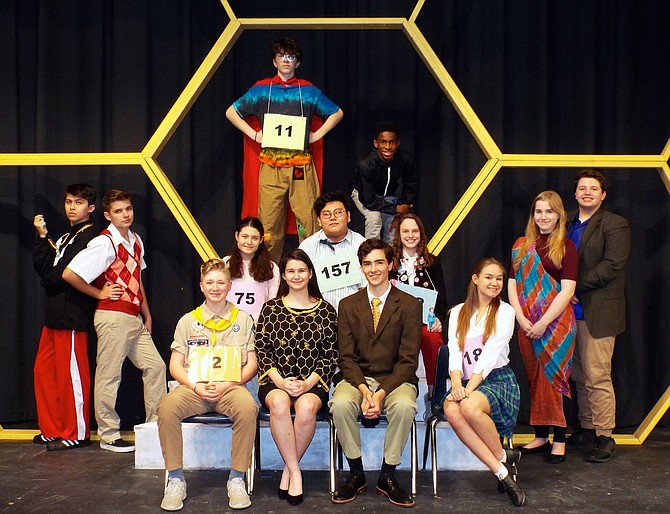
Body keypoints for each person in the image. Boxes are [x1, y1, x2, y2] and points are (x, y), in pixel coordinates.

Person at [63, 189, 166, 452]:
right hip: (112, 316)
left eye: (128, 209)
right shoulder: (104, 243)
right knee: (109, 375)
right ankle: (109, 434)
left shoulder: (136, 239)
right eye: (119, 211)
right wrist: (99, 293)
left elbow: (137, 280)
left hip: (133, 317)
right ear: (108, 215)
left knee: (156, 367)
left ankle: (154, 428)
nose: (126, 214)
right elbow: (70, 274)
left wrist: (147, 313)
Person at [226, 36, 344, 262]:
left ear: (297, 63)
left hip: (300, 166)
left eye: (291, 57)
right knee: (269, 224)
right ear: (274, 61)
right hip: (271, 165)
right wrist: (254, 134)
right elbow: (232, 111)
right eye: (282, 56)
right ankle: (267, 275)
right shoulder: (262, 89)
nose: (286, 61)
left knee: (309, 220)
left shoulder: (308, 91)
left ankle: (311, 271)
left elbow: (336, 113)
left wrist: (316, 135)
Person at [157, 259, 258, 511]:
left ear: (229, 286)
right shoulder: (188, 321)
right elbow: (175, 365)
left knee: (248, 408)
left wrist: (227, 384)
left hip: (230, 387)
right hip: (195, 388)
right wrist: (196, 387)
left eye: (221, 282)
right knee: (167, 407)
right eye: (210, 282)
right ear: (201, 286)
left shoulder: (243, 319)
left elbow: (252, 364)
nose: (215, 287)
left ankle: (236, 477)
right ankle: (176, 478)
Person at [329, 239, 422, 508]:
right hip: (357, 379)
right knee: (341, 403)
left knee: (405, 406)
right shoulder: (347, 305)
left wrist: (379, 394)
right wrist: (364, 390)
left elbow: (407, 362)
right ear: (361, 267)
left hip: (396, 379)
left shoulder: (409, 305)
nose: (373, 269)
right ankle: (356, 473)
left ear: (391, 265)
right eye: (367, 263)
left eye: (379, 262)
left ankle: (387, 475)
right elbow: (345, 357)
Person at [255, 249, 338, 506]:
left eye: (301, 270)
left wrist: (307, 383)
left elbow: (331, 355)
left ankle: (287, 472)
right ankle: (296, 472)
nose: (296, 275)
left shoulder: (326, 310)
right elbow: (262, 349)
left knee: (305, 408)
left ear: (310, 273)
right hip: (275, 381)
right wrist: (280, 381)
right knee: (279, 403)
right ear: (283, 275)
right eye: (290, 270)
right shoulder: (270, 309)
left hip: (313, 382)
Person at [442, 258, 525, 507]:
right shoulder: (457, 312)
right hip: (466, 381)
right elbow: (455, 351)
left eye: (499, 278)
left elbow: (490, 355)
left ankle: (503, 460)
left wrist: (466, 391)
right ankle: (502, 468)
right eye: (489, 277)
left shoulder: (506, 312)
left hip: (497, 380)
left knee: (467, 406)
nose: (495, 283)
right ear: (475, 279)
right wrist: (457, 386)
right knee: (450, 409)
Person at [565, 169, 631, 462]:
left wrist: (573, 286)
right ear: (576, 193)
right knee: (579, 374)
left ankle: (605, 435)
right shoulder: (564, 220)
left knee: (597, 375)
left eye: (594, 188)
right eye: (583, 188)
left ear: (603, 195)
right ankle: (588, 427)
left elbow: (611, 266)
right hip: (568, 311)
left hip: (598, 310)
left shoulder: (616, 224)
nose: (587, 192)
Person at [508, 191, 578, 463]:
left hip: (556, 325)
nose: (543, 217)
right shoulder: (522, 245)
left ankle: (559, 439)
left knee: (554, 379)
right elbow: (512, 284)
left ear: (559, 215)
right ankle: (540, 436)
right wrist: (521, 318)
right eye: (539, 212)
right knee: (534, 378)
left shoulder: (566, 247)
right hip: (526, 324)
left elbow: (568, 289)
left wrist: (542, 322)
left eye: (549, 212)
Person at [32, 183, 98, 451]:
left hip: (73, 316)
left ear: (91, 208)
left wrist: (53, 276)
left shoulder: (92, 238)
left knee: (73, 376)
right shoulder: (64, 238)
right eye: (69, 202)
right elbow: (46, 270)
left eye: (79, 202)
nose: (72, 207)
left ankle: (76, 432)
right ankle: (52, 428)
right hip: (54, 315)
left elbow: (60, 276)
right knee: (44, 372)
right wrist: (41, 237)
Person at [391, 213, 447, 410]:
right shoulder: (390, 262)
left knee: (433, 339)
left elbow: (441, 299)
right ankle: (394, 391)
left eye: (415, 231)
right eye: (406, 231)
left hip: (425, 321)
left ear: (421, 234)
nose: (411, 235)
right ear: (399, 234)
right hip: (395, 324)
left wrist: (438, 319)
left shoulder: (432, 262)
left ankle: (434, 394)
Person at [351, 121, 418, 242]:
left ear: (398, 143)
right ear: (376, 143)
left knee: (394, 226)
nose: (388, 147)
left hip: (387, 196)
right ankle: (372, 256)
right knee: (374, 219)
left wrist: (402, 208)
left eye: (392, 142)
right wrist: (396, 209)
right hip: (363, 195)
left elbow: (411, 185)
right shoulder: (366, 165)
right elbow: (368, 200)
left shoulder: (405, 160)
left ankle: (390, 259)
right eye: (383, 142)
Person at [299, 191, 366, 312]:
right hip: (318, 316)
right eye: (326, 214)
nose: (333, 218)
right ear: (319, 220)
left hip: (355, 315)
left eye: (338, 213)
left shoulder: (362, 245)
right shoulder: (307, 247)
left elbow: (367, 286)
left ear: (348, 216)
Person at [223, 217, 280, 321]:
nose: (249, 242)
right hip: (228, 325)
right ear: (237, 236)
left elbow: (272, 302)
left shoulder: (271, 267)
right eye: (245, 237)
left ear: (261, 240)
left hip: (258, 327)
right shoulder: (225, 264)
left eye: (254, 238)